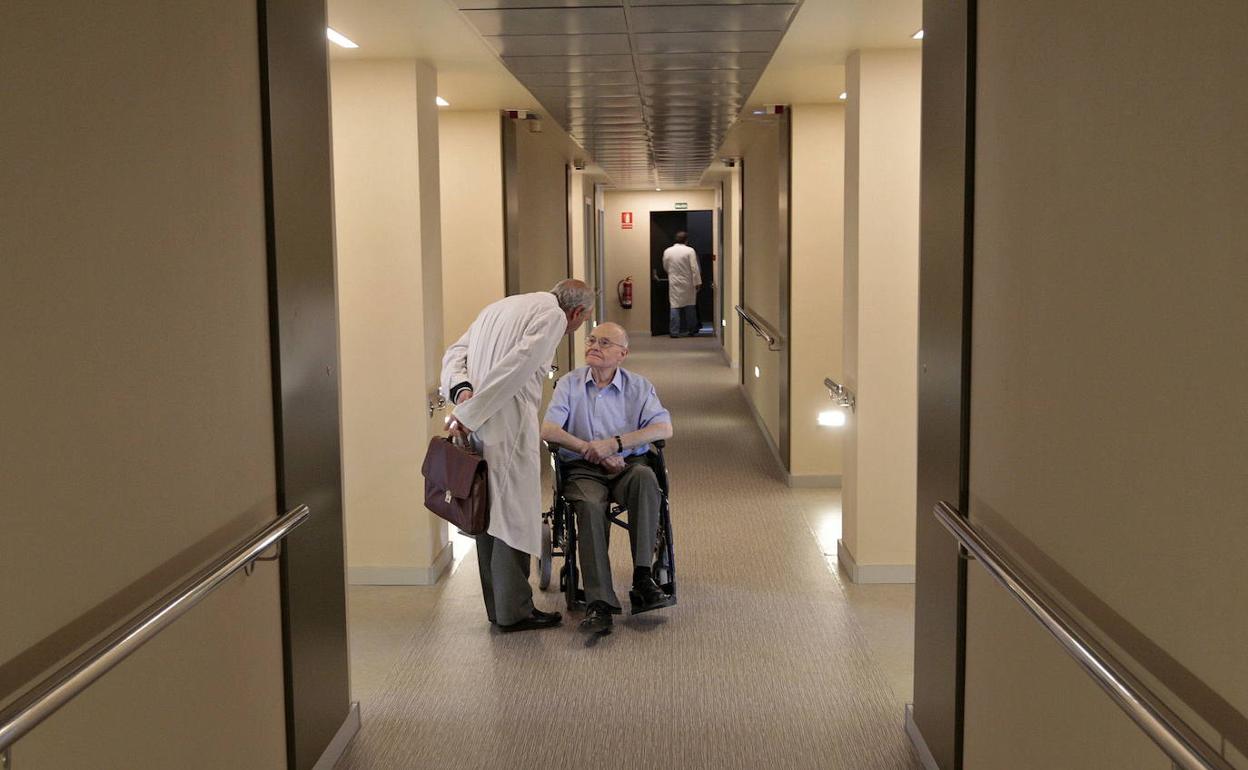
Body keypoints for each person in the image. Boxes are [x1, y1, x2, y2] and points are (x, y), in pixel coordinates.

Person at [441, 279, 594, 633]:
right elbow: (517, 367)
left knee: (483, 510)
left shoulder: (501, 306)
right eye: (582, 321)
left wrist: (461, 391)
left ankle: (499, 608)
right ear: (575, 313)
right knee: (512, 519)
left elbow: (454, 353)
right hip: (504, 426)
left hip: (480, 422)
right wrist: (469, 412)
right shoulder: (553, 317)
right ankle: (515, 612)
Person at [540, 322, 675, 634]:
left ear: (622, 354)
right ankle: (600, 601)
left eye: (604, 342)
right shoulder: (569, 384)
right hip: (583, 469)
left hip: (628, 465)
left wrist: (616, 444)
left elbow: (663, 428)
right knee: (588, 505)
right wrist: (591, 448)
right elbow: (548, 430)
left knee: (645, 480)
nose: (594, 346)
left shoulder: (639, 386)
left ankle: (643, 576)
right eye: (591, 340)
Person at [661, 231, 701, 338]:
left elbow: (665, 266)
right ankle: (692, 330)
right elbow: (694, 268)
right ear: (686, 240)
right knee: (690, 306)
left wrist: (672, 273)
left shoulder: (668, 251)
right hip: (688, 282)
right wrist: (697, 282)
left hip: (674, 281)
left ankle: (674, 332)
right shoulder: (690, 251)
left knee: (674, 306)